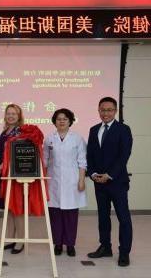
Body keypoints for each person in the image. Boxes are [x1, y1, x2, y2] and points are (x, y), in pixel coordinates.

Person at [86, 97, 133, 267]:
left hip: (117, 182)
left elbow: (124, 155)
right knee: (103, 217)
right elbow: (89, 155)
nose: (105, 113)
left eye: (109, 110)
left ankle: (124, 252)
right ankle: (105, 247)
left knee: (123, 217)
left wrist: (109, 174)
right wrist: (92, 173)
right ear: (98, 110)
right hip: (99, 182)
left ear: (115, 111)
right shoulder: (93, 130)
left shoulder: (123, 129)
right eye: (102, 110)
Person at [43, 108, 87, 257]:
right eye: (59, 119)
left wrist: (81, 180)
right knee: (55, 214)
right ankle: (58, 244)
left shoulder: (77, 139)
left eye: (65, 119)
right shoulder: (49, 139)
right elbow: (45, 161)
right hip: (54, 181)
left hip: (72, 181)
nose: (61, 121)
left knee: (71, 214)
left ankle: (70, 244)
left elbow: (82, 161)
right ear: (54, 122)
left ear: (70, 121)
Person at [0, 104, 25, 254]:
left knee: (17, 209)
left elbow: (16, 155)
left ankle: (20, 241)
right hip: (3, 176)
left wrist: (0, 167)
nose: (11, 116)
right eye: (9, 113)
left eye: (14, 114)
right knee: (9, 209)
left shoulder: (20, 132)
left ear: (19, 116)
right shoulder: (5, 131)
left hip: (14, 176)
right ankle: (11, 240)